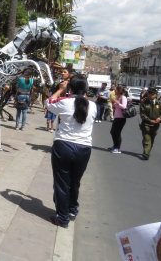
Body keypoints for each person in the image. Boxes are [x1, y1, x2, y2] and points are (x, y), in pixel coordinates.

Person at [46, 74, 97, 228]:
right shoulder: (93, 106)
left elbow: (48, 103)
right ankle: (72, 208)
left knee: (62, 182)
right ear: (86, 89)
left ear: (70, 88)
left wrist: (60, 90)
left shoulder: (65, 102)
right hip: (84, 148)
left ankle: (62, 217)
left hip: (64, 146)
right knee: (75, 181)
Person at [139, 87, 161, 160]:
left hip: (155, 125)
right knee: (146, 138)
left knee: (151, 139)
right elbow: (142, 114)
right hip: (146, 124)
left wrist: (160, 118)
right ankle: (146, 153)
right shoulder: (144, 103)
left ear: (156, 95)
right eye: (149, 94)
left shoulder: (159, 103)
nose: (150, 95)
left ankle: (147, 152)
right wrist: (150, 120)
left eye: (152, 94)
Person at [108, 86, 128, 153]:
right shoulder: (117, 97)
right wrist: (114, 105)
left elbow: (124, 107)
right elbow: (117, 107)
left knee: (117, 133)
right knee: (112, 132)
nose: (115, 92)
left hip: (121, 118)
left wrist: (117, 102)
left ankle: (118, 148)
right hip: (116, 117)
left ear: (119, 91)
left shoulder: (123, 98)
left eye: (116, 90)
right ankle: (115, 145)